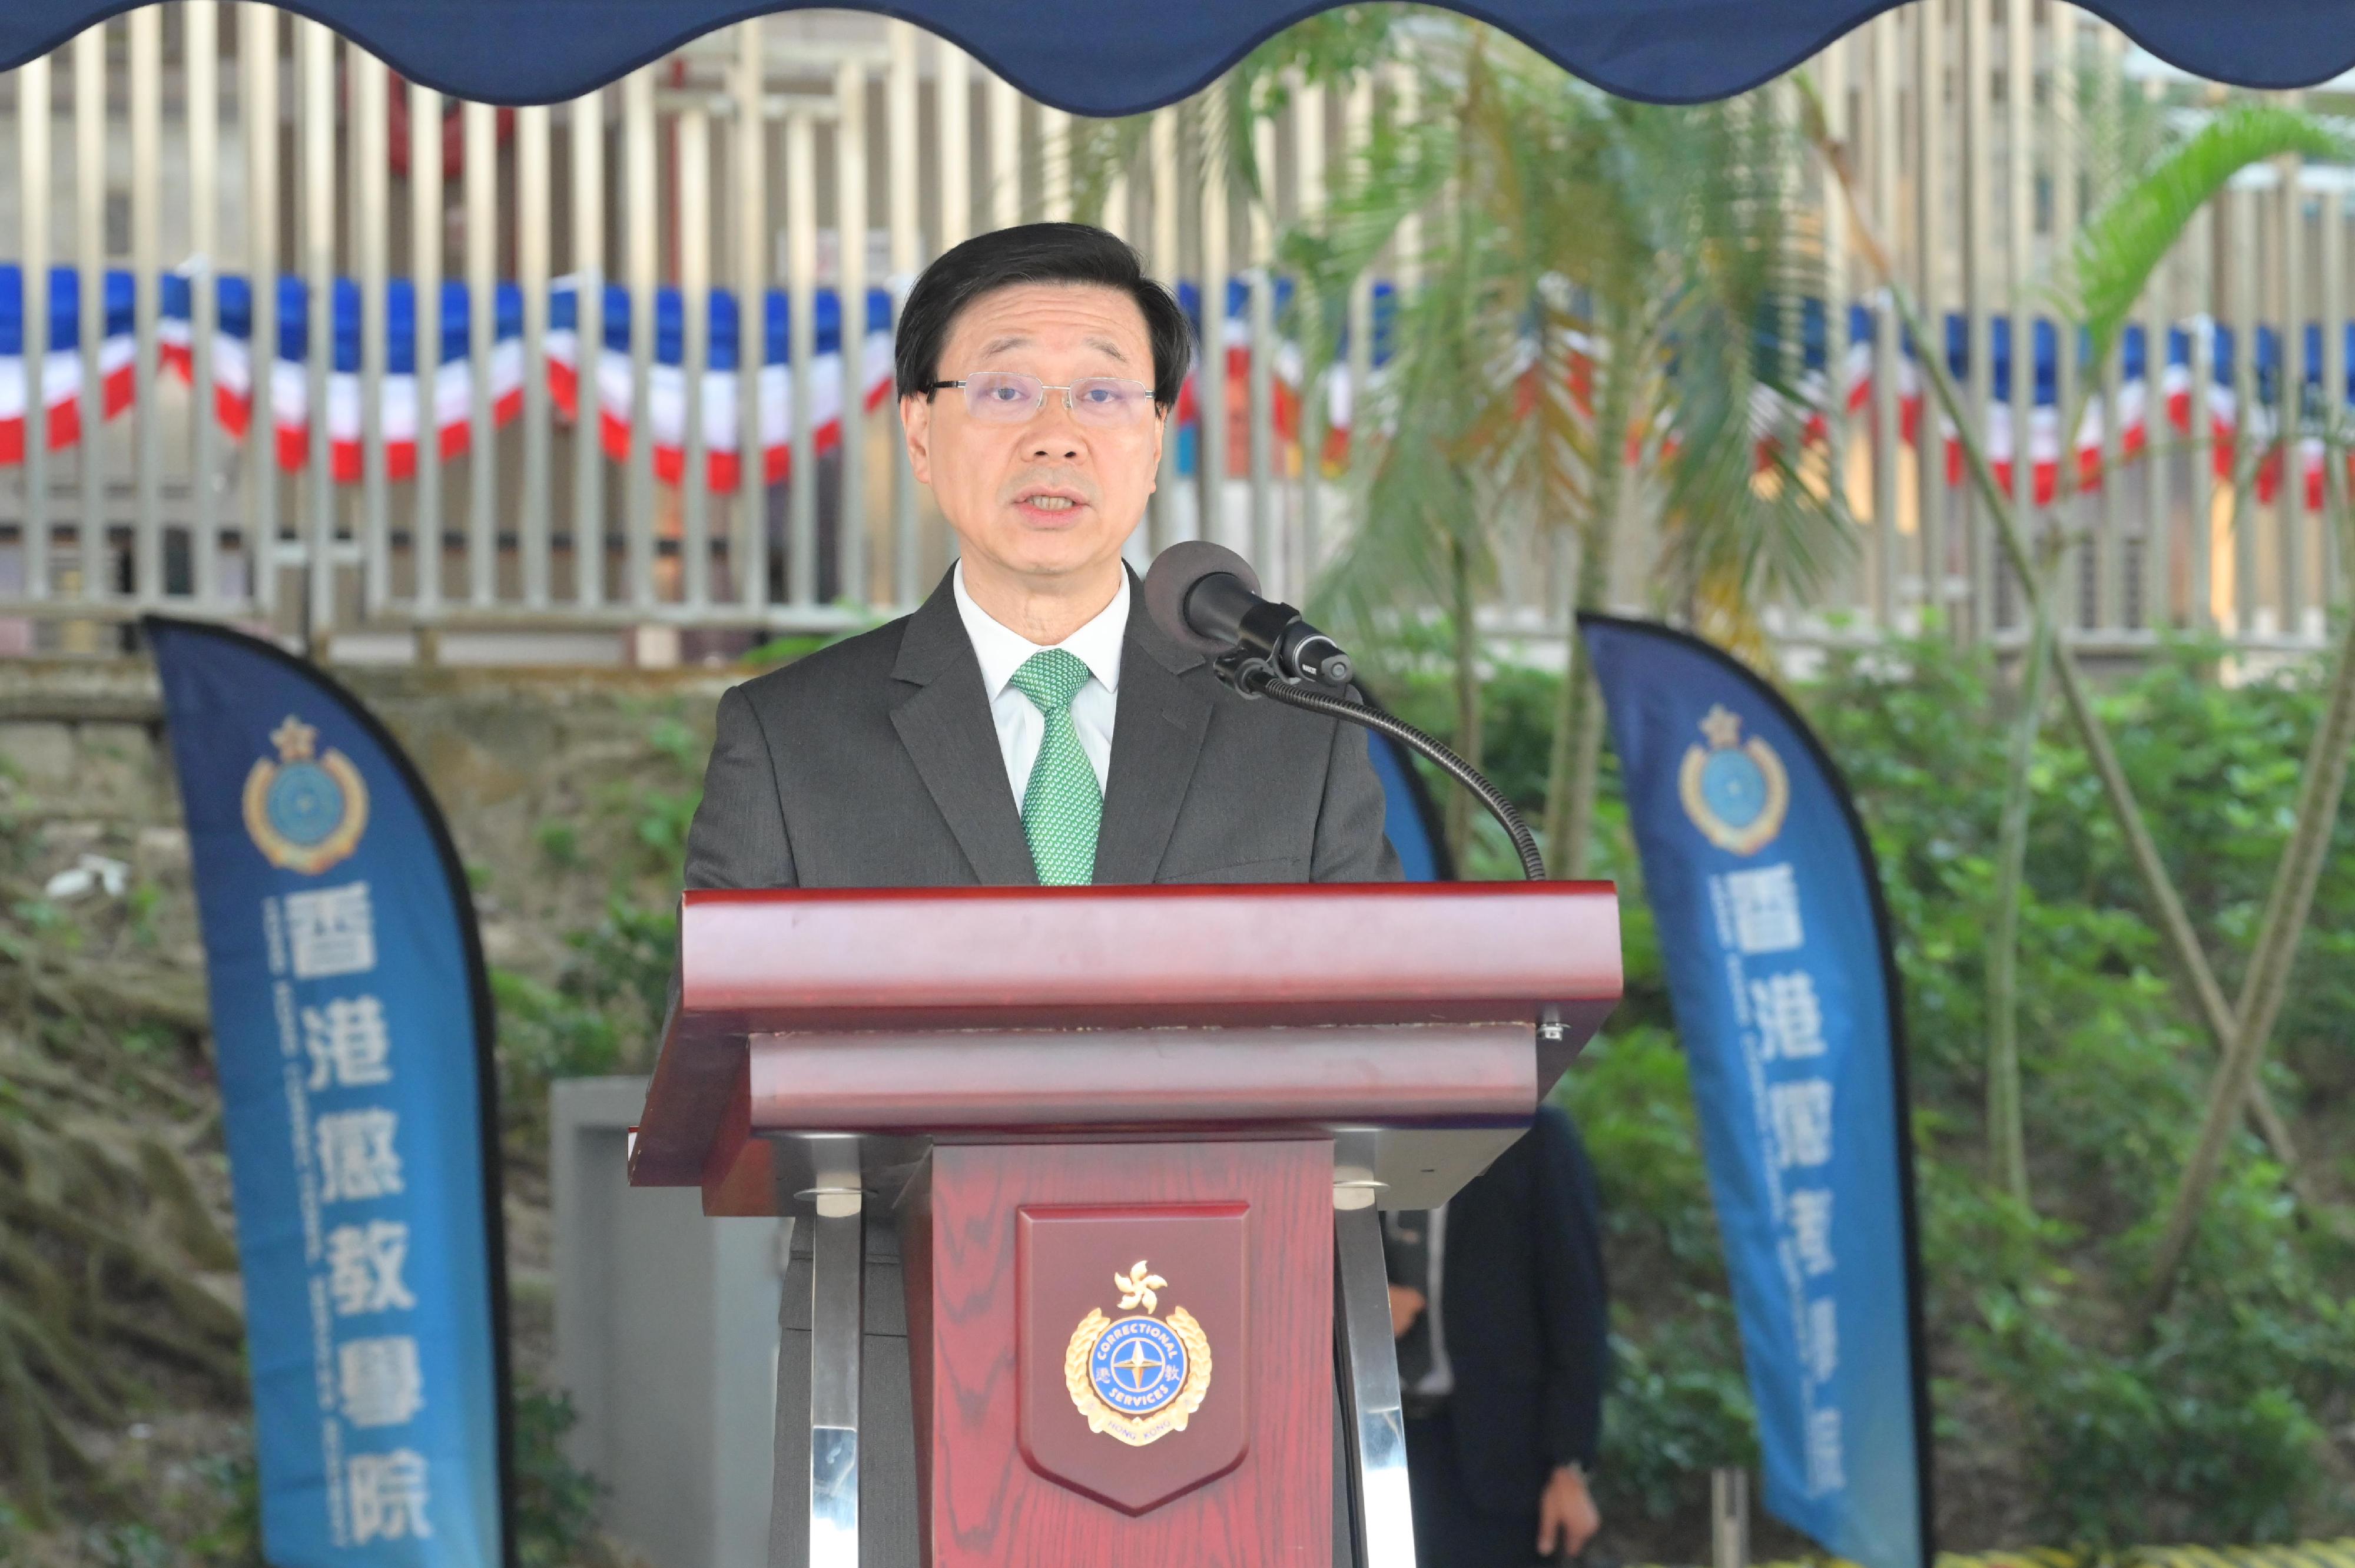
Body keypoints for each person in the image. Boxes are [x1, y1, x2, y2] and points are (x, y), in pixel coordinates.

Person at [671, 221, 1399, 1568]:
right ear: (920, 433)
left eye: (1101, 390)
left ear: (1159, 436)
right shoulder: (792, 734)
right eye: (1006, 387)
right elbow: (726, 1056)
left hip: (1241, 1380)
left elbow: (1385, 1052)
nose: (1055, 433)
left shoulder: (1296, 732)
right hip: (898, 1378)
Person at [1386, 1103, 1610, 1566]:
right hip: (1377, 1439)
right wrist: (1361, 1300)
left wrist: (1569, 1464)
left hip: (1499, 1452)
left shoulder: (1534, 1135)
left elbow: (1577, 1304)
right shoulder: (1356, 1129)